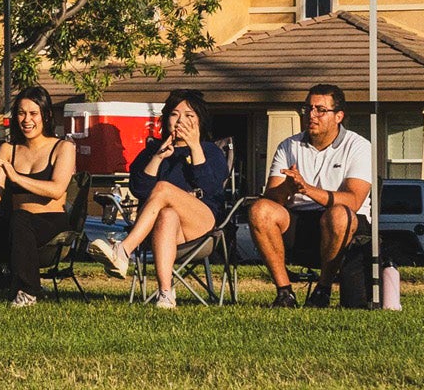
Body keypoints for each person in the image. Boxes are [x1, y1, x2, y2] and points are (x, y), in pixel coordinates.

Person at [91, 89, 231, 309]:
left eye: (189, 115)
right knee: (167, 214)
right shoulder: (152, 151)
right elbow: (139, 190)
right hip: (162, 232)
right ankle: (166, 294)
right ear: (166, 119)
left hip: (202, 227)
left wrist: (194, 147)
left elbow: (211, 189)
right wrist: (157, 158)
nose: (180, 121)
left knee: (163, 188)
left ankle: (124, 250)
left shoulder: (210, 151)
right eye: (175, 114)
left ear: (200, 121)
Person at [245, 82, 375, 308]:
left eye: (320, 110)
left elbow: (354, 200)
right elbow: (272, 198)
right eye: (308, 108)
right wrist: (288, 187)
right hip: (298, 219)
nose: (311, 115)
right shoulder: (289, 145)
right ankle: (284, 293)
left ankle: (323, 290)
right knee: (259, 210)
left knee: (339, 215)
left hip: (344, 223)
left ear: (338, 116)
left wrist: (307, 189)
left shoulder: (358, 146)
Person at [0, 87, 75, 308]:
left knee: (21, 218)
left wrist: (16, 177)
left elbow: (56, 189)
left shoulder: (63, 147)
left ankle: (27, 291)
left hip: (50, 221)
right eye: (21, 113)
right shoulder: (8, 148)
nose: (26, 120)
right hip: (17, 222)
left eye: (33, 113)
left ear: (46, 115)